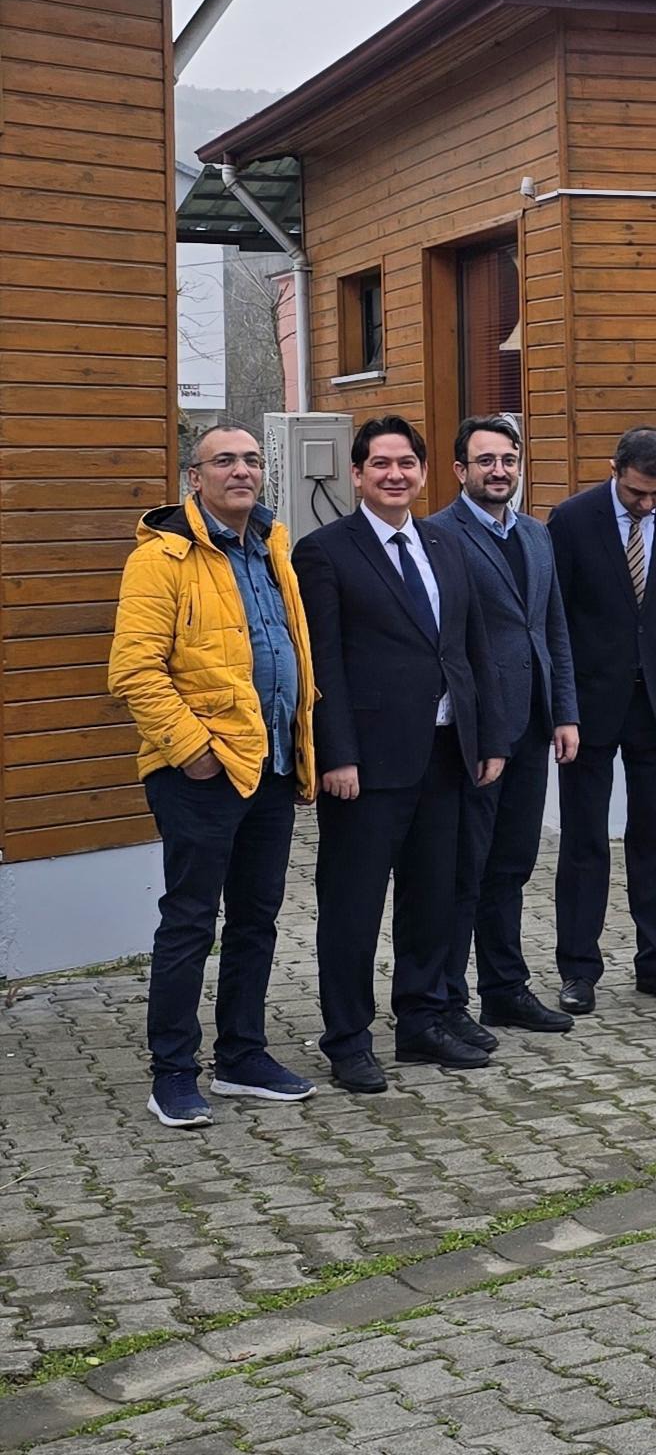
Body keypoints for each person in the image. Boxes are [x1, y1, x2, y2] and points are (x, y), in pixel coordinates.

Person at [110, 425, 319, 1127]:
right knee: (191, 921)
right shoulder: (161, 558)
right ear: (193, 478)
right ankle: (173, 1072)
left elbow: (289, 651)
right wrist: (192, 748)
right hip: (199, 772)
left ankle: (241, 1057)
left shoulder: (273, 546)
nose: (241, 471)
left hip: (272, 763)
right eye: (224, 460)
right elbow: (134, 671)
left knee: (257, 919)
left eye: (252, 460)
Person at [293, 416, 505, 1093]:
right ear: (357, 475)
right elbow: (321, 663)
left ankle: (421, 1021)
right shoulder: (324, 552)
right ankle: (348, 1039)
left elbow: (472, 648)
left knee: (433, 899)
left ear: (423, 472)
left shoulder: (445, 544)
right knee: (353, 909)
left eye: (406, 463)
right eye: (380, 464)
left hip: (445, 753)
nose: (395, 475)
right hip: (366, 767)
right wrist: (336, 755)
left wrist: (488, 737)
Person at [548, 427, 656, 1012]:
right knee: (584, 838)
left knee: (655, 833)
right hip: (590, 706)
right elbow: (556, 620)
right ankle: (578, 970)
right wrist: (562, 709)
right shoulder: (572, 520)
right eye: (637, 493)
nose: (647, 504)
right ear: (614, 469)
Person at [431, 416, 580, 1040]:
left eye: (508, 460)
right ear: (460, 470)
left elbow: (552, 628)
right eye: (486, 460)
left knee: (513, 864)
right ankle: (447, 999)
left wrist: (565, 713)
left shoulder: (537, 535)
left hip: (533, 725)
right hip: (475, 733)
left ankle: (505, 989)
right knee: (465, 868)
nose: (499, 471)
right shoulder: (439, 535)